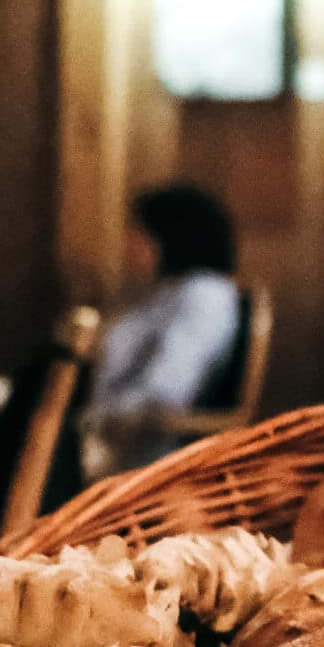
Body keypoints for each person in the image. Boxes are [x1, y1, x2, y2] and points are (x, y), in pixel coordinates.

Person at [88, 185, 243, 464]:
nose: (129, 244)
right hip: (114, 434)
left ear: (170, 237)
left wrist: (91, 417)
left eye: (138, 233)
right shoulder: (168, 293)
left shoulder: (205, 296)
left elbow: (164, 392)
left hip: (147, 454)